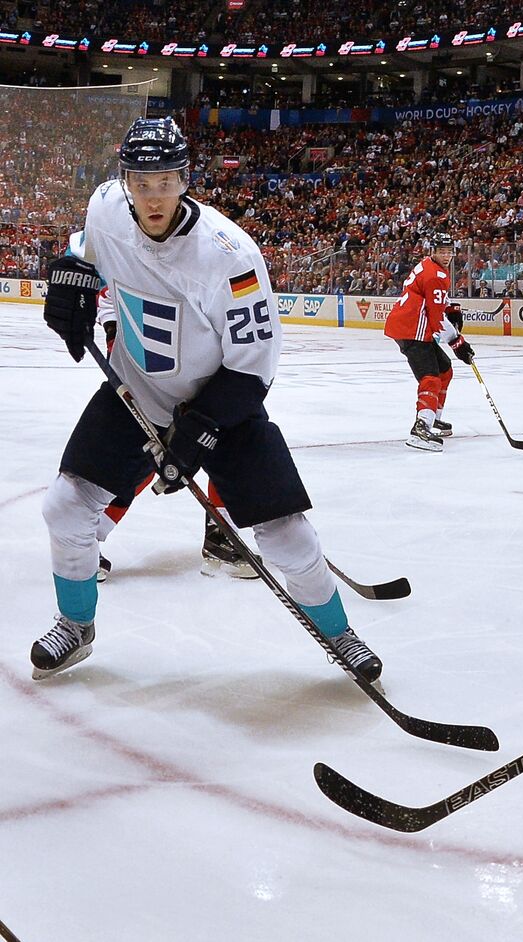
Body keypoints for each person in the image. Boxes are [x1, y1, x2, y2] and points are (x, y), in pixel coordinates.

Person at [35, 117, 381, 683]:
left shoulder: (230, 255)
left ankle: (340, 634)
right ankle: (76, 626)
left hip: (223, 406)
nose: (153, 197)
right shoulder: (105, 208)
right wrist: (69, 278)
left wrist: (200, 432)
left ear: (185, 179)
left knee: (285, 534)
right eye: (142, 183)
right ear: (125, 181)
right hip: (135, 395)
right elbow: (85, 250)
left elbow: (253, 367)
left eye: (166, 181)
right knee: (65, 507)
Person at [91, 286, 258, 581]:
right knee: (143, 461)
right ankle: (89, 536)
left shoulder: (215, 256)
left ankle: (221, 538)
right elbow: (108, 296)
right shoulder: (140, 251)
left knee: (226, 447)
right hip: (153, 378)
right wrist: (115, 334)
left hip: (207, 376)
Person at [383, 233, 475, 451]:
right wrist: (457, 342)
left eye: (449, 251)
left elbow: (433, 299)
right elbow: (435, 318)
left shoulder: (429, 266)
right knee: (431, 378)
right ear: (432, 251)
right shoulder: (435, 275)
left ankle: (432, 417)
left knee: (445, 370)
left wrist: (450, 306)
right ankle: (421, 428)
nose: (446, 255)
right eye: (441, 251)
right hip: (412, 329)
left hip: (410, 325)